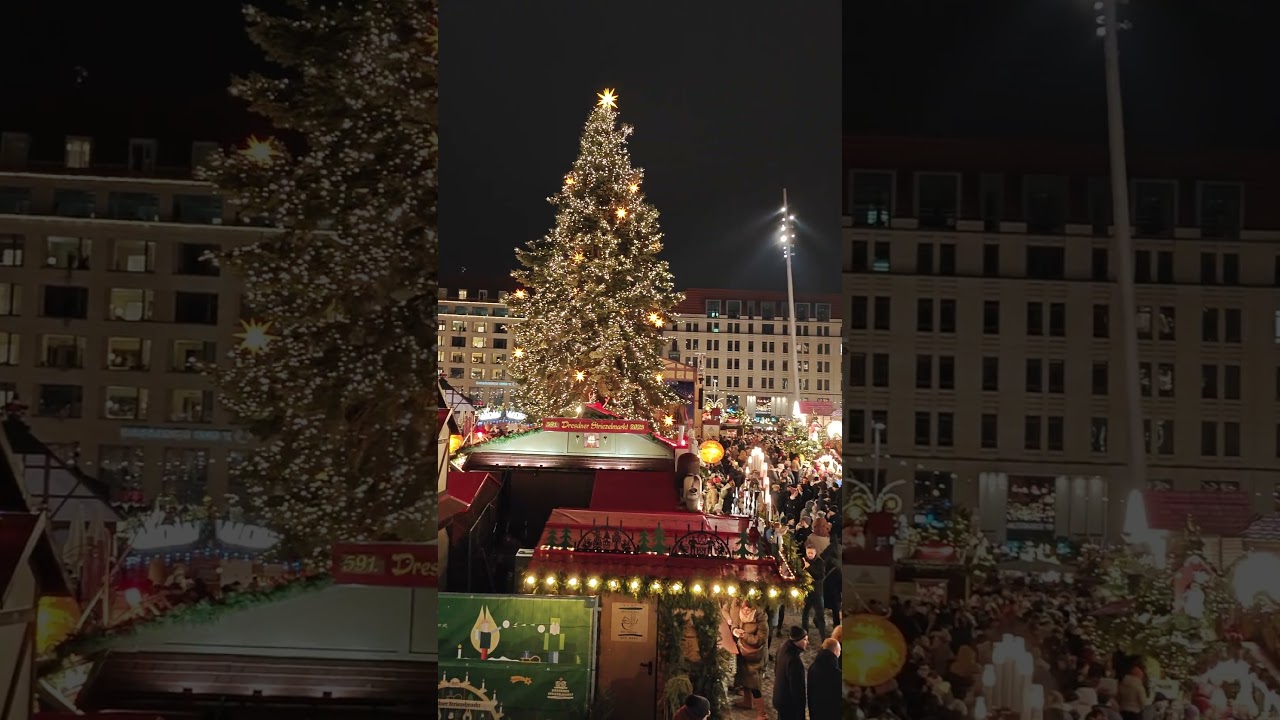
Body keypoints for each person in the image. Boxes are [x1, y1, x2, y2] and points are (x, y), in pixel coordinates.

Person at [733, 600, 768, 715]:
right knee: (745, 678)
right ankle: (747, 702)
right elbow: (734, 623)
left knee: (754, 684)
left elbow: (760, 639)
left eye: (748, 609)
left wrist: (744, 635)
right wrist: (735, 630)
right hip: (743, 651)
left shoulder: (761, 619)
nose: (746, 612)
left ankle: (762, 713)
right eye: (744, 609)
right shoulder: (739, 613)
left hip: (754, 655)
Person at [773, 625, 808, 720]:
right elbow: (797, 688)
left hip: (779, 698)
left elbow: (776, 670)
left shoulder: (782, 648)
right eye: (805, 640)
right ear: (797, 640)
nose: (807, 642)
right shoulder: (795, 660)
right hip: (788, 704)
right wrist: (800, 712)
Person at [808, 637, 841, 719]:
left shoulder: (812, 667)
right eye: (839, 650)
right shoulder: (837, 674)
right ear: (835, 651)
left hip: (816, 712)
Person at [801, 543, 828, 639]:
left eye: (811, 553)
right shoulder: (803, 561)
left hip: (817, 593)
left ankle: (823, 638)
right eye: (808, 553)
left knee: (820, 616)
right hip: (806, 592)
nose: (810, 555)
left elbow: (820, 576)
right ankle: (804, 636)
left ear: (815, 553)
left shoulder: (820, 562)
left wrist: (808, 567)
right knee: (805, 615)